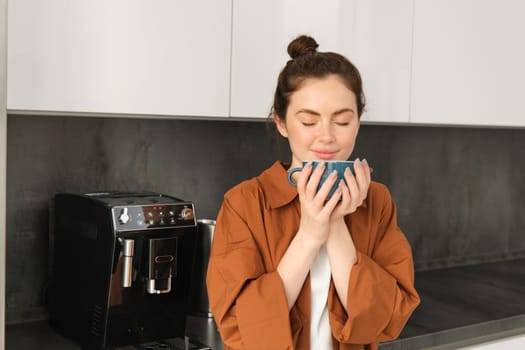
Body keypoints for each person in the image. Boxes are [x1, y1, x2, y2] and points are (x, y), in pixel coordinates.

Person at [206, 35, 420, 350]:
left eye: (342, 121)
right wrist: (308, 234)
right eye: (308, 121)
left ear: (358, 123)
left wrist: (335, 224)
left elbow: (387, 320)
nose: (326, 137)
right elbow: (240, 329)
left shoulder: (376, 201)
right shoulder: (244, 203)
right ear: (281, 122)